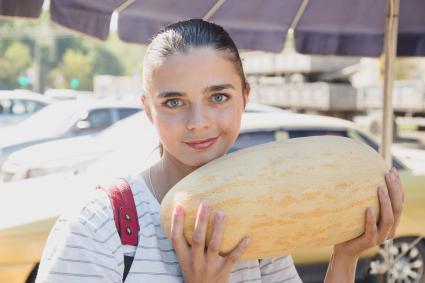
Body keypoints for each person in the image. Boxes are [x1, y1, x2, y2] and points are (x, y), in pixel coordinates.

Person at [36, 19, 404, 283]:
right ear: (148, 109)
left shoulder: (263, 210)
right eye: (174, 102)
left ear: (245, 96)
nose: (199, 121)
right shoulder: (99, 226)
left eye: (218, 97)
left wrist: (345, 256)